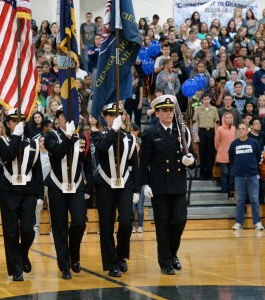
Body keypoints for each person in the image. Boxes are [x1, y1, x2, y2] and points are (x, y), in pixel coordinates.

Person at [140, 95, 196, 275]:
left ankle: (172, 254)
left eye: (171, 110)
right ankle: (165, 262)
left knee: (179, 220)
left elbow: (192, 156)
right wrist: (145, 184)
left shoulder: (182, 131)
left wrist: (191, 161)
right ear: (157, 113)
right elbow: (144, 163)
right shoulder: (150, 133)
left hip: (178, 185)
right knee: (162, 225)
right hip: (159, 187)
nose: (168, 113)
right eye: (164, 110)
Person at [44, 105, 93, 280]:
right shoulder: (51, 135)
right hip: (57, 186)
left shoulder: (83, 138)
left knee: (79, 222)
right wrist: (68, 136)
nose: (68, 118)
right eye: (64, 115)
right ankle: (64, 265)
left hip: (77, 186)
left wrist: (89, 185)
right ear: (59, 119)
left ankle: (75, 255)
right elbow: (57, 153)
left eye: (72, 115)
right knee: (60, 227)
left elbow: (87, 163)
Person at [91, 103, 140, 277]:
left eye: (118, 114)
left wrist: (137, 189)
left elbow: (134, 164)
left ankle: (120, 255)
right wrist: (114, 131)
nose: (114, 117)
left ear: (124, 117)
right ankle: (111, 263)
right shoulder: (97, 135)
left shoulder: (130, 138)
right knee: (106, 225)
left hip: (125, 183)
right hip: (105, 184)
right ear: (104, 118)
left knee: (126, 221)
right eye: (110, 115)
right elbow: (103, 149)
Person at [0, 109, 43, 281]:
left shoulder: (33, 143)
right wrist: (15, 136)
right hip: (9, 191)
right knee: (11, 232)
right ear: (8, 124)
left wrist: (39, 194)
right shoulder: (2, 141)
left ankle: (22, 255)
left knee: (28, 230)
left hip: (28, 191)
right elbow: (8, 156)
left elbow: (37, 170)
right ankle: (16, 269)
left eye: (21, 120)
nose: (18, 123)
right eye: (14, 121)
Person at [229, 124, 264, 231]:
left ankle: (257, 222)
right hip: (239, 175)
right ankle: (239, 223)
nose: (241, 131)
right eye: (239, 129)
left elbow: (259, 157)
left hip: (253, 175)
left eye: (243, 129)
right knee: (240, 200)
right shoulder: (234, 144)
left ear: (247, 131)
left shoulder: (254, 143)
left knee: (254, 200)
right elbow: (231, 158)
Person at [193, 93, 219, 180]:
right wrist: (196, 134)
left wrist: (216, 135)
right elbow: (196, 122)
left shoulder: (214, 109)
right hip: (202, 132)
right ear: (202, 100)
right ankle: (202, 174)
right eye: (204, 99)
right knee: (202, 153)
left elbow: (216, 122)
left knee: (210, 154)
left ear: (210, 100)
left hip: (211, 131)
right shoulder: (198, 109)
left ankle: (210, 174)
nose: (206, 101)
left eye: (208, 99)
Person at [214, 112, 236, 198]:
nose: (228, 119)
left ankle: (230, 191)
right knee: (225, 173)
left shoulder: (234, 128)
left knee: (231, 174)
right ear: (223, 119)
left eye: (230, 118)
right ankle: (224, 190)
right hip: (222, 154)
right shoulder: (220, 129)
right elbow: (216, 142)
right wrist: (219, 150)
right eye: (226, 117)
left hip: (232, 155)